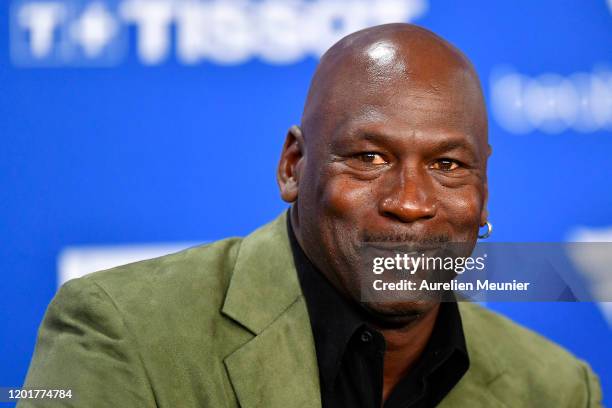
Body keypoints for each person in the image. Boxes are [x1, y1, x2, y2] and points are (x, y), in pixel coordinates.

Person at [19, 23, 602, 408]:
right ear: (294, 166)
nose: (411, 201)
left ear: (484, 187)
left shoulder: (553, 387)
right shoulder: (123, 332)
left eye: (448, 165)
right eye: (370, 157)